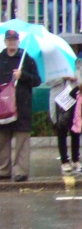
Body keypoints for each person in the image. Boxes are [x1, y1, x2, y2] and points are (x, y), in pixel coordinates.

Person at [0, 29, 42, 182]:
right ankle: (3, 170)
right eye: (9, 40)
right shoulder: (0, 58)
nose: (12, 42)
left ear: (18, 41)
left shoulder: (27, 59)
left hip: (22, 107)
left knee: (22, 140)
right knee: (2, 140)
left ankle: (21, 171)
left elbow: (37, 80)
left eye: (14, 40)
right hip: (3, 107)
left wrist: (22, 75)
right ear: (5, 41)